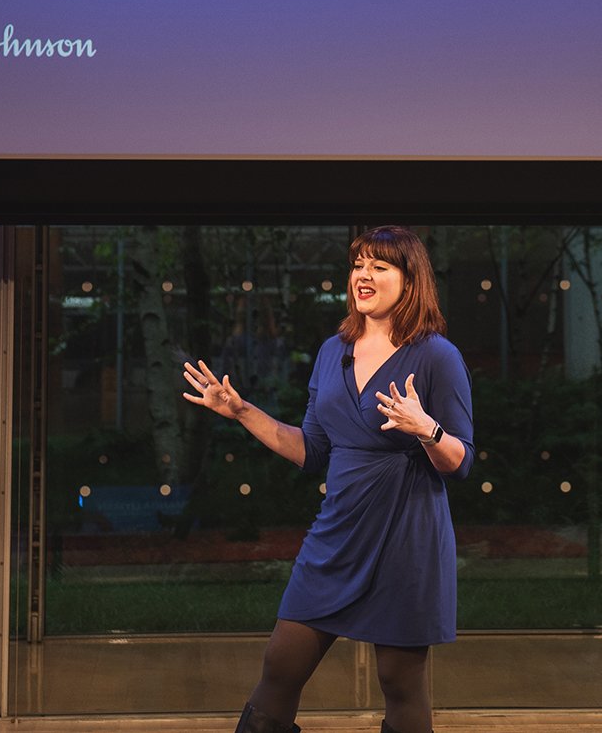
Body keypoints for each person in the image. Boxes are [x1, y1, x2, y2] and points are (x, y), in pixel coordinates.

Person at [182, 226, 473, 733]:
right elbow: (312, 449)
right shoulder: (332, 351)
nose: (363, 275)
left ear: (410, 280)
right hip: (336, 536)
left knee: (400, 683)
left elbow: (460, 460)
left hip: (407, 539)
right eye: (358, 264)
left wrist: (426, 428)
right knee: (281, 665)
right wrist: (241, 410)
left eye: (379, 266)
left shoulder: (435, 356)